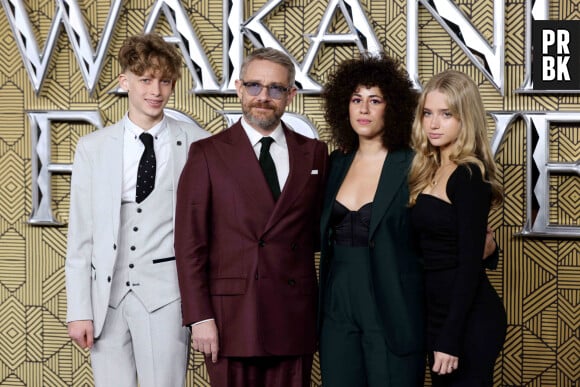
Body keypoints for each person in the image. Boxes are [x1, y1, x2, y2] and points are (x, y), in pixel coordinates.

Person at [174, 47, 328, 387]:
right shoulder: (207, 153)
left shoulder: (314, 153)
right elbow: (189, 245)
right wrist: (199, 317)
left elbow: (315, 231)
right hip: (233, 315)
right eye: (255, 86)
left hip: (293, 313)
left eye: (275, 89)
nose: (263, 97)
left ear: (291, 95)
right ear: (239, 87)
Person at [65, 32, 210, 387]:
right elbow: (81, 236)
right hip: (106, 301)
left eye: (164, 81)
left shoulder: (199, 143)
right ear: (124, 81)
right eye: (145, 80)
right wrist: (79, 311)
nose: (155, 91)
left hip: (167, 296)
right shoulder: (93, 148)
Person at [319, 53, 425, 386]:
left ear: (391, 107)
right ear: (344, 106)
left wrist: (484, 243)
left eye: (374, 100)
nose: (363, 109)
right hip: (337, 307)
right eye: (356, 99)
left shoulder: (413, 164)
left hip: (392, 307)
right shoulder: (335, 163)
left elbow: (441, 228)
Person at [408, 70, 507, 386]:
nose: (433, 124)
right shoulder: (429, 169)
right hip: (438, 313)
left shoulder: (468, 175)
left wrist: (450, 337)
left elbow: (468, 267)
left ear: (465, 119)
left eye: (446, 114)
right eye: (428, 113)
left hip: (468, 319)